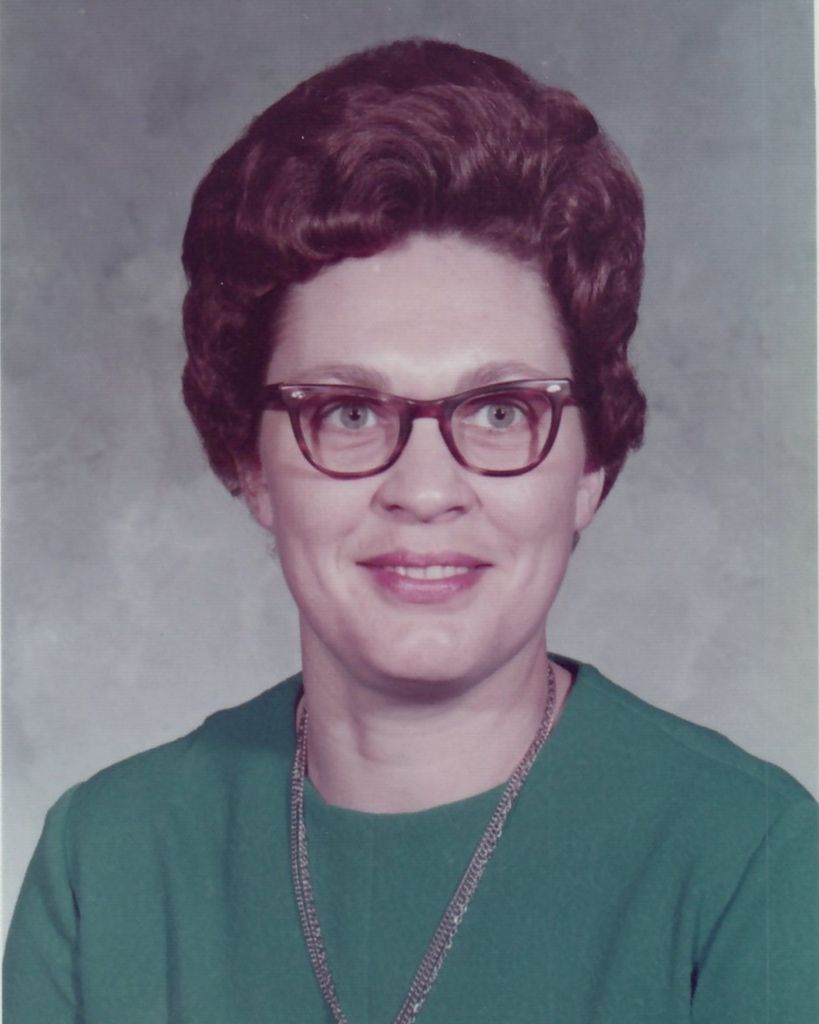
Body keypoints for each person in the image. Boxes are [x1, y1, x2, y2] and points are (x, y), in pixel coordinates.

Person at [4, 38, 817, 1024]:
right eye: (347, 411)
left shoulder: (751, 862)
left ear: (589, 468)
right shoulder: (105, 865)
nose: (425, 490)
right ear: (249, 464)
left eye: (501, 410)